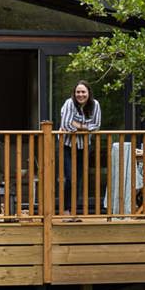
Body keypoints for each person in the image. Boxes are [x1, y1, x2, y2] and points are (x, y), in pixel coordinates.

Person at [58, 80, 101, 214]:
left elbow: (96, 126)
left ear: (88, 93)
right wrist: (85, 127)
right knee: (70, 178)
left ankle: (74, 211)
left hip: (84, 147)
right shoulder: (69, 103)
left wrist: (78, 126)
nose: (80, 95)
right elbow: (66, 125)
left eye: (83, 92)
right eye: (78, 92)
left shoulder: (95, 105)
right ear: (74, 93)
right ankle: (66, 210)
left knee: (79, 179)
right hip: (66, 145)